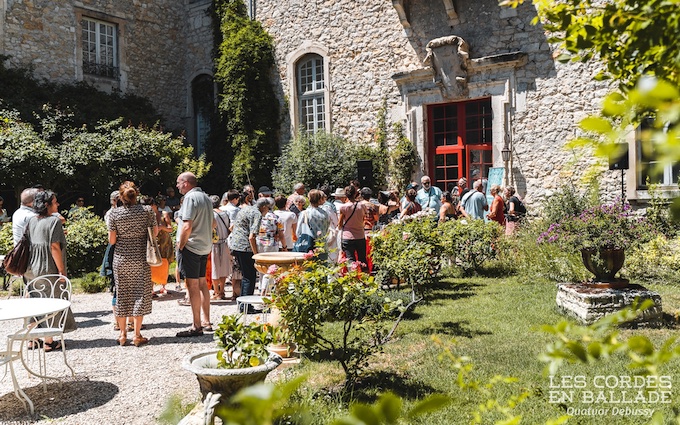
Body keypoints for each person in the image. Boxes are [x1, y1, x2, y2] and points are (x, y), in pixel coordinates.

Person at [25, 190, 77, 351]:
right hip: (47, 267)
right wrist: (61, 271)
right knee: (51, 301)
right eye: (55, 202)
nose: (58, 204)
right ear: (47, 205)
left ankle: (33, 339)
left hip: (30, 267)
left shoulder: (31, 220)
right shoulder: (54, 222)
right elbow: (54, 247)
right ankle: (49, 341)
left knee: (33, 301)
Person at [108, 182, 157, 347]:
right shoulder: (147, 211)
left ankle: (122, 335)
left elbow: (112, 240)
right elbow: (154, 233)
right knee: (140, 294)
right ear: (136, 195)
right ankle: (137, 334)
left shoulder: (114, 214)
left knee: (122, 294)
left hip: (121, 258)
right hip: (141, 257)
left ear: (120, 197)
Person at [175, 172, 214, 337]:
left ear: (185, 183)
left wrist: (181, 244)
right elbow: (212, 223)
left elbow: (186, 225)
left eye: (178, 183)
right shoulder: (205, 197)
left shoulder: (190, 198)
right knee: (202, 284)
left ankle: (196, 325)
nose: (177, 186)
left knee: (192, 286)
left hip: (191, 247)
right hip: (204, 246)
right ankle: (206, 321)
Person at [229, 198, 269, 310]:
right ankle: (246, 306)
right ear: (264, 207)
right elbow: (252, 237)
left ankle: (242, 304)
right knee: (250, 277)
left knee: (245, 276)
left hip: (235, 245)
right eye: (268, 208)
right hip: (245, 248)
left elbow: (232, 227)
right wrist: (256, 254)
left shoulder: (245, 209)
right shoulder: (257, 214)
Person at [337, 185, 367, 268]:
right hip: (360, 235)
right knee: (362, 260)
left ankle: (352, 279)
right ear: (355, 193)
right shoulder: (362, 206)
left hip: (347, 236)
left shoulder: (343, 207)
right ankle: (365, 278)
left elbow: (340, 223)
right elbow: (363, 218)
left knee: (350, 260)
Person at [210, 195, 231, 300]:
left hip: (214, 243)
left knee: (215, 268)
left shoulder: (211, 214)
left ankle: (216, 292)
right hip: (225, 242)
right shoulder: (225, 213)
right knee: (224, 268)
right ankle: (222, 291)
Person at [297, 189, 329, 255]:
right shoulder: (325, 213)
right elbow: (327, 228)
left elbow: (298, 232)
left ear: (309, 199)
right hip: (322, 246)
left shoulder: (305, 213)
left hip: (308, 247)